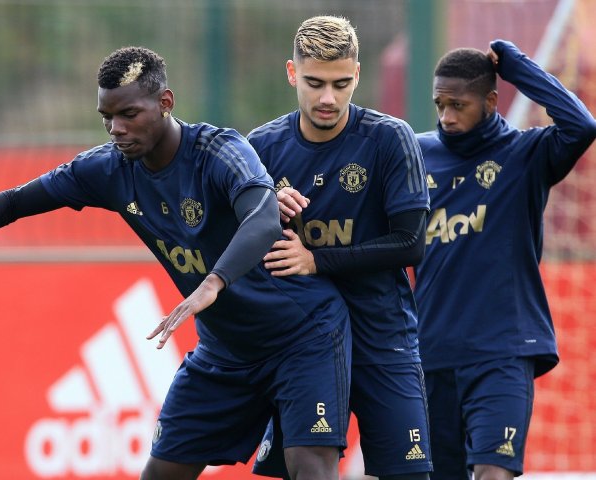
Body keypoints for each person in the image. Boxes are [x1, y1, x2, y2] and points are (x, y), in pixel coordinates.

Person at [0, 46, 353, 480]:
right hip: (226, 350)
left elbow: (264, 218)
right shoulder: (108, 169)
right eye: (107, 117)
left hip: (301, 335)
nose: (117, 129)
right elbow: (16, 202)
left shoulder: (220, 151)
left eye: (129, 114)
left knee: (308, 468)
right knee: (161, 473)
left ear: (165, 102)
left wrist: (213, 283)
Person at [247, 16, 432, 480]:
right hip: (302, 342)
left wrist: (316, 260)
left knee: (408, 475)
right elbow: (236, 245)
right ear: (292, 73)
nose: (328, 97)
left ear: (357, 76)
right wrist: (265, 209)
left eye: (341, 83)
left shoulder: (390, 139)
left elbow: (411, 243)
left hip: (381, 337)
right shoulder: (260, 147)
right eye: (314, 83)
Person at [414, 40, 596, 480]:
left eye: (458, 105)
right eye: (440, 105)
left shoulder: (525, 156)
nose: (447, 117)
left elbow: (582, 125)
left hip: (502, 354)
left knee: (493, 473)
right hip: (430, 355)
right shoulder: (414, 153)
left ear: (492, 101)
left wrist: (519, 68)